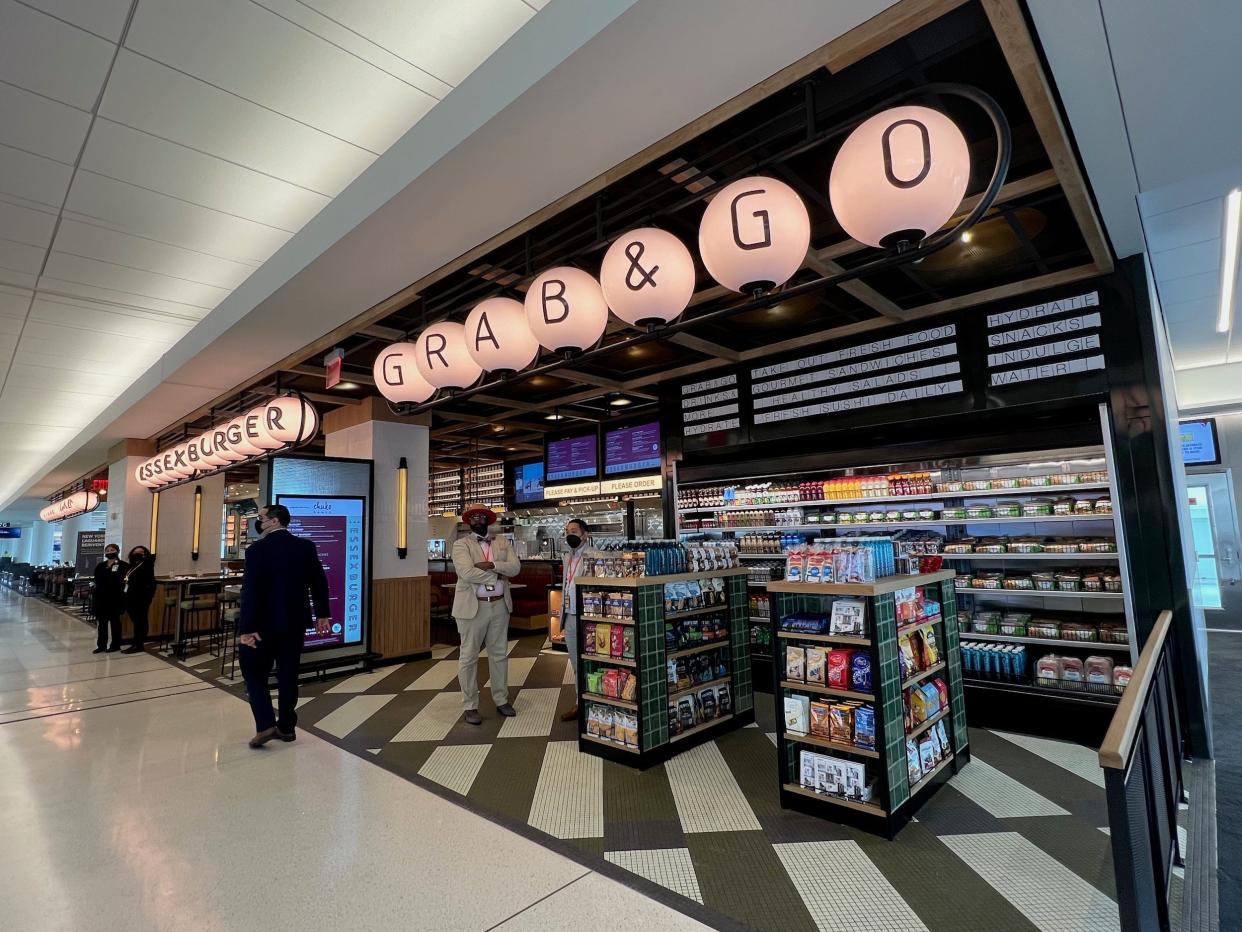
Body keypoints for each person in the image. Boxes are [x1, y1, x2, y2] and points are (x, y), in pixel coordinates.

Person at [238, 504, 331, 748]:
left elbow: (251, 591)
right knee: (288, 673)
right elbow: (319, 581)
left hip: (262, 624)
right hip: (295, 621)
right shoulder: (305, 547)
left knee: (253, 672)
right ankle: (287, 727)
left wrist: (246, 628)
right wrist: (323, 614)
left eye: (261, 518)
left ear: (275, 521)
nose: (258, 523)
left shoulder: (257, 551)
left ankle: (266, 724)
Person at [451, 504, 521, 725]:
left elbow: (516, 568)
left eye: (482, 516)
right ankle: (470, 705)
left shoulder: (502, 542)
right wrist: (498, 575)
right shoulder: (461, 544)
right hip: (473, 607)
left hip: (500, 606)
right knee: (469, 656)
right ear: (469, 521)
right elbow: (466, 572)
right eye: (474, 516)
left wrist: (490, 564)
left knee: (499, 654)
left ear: (489, 519)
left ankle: (501, 699)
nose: (478, 519)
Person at [559, 518, 591, 722]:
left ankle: (591, 703)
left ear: (584, 535)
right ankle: (580, 703)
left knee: (589, 660)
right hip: (569, 616)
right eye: (567, 531)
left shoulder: (592, 556)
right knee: (575, 662)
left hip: (586, 616)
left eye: (574, 531)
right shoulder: (567, 557)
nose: (570, 534)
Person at [92, 544, 127, 653]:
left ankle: (115, 644)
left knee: (115, 622)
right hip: (101, 598)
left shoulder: (123, 565)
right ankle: (101, 645)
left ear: (117, 551)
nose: (109, 552)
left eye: (112, 550)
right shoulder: (101, 566)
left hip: (115, 598)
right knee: (102, 624)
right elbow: (96, 579)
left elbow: (123, 581)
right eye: (107, 550)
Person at [121, 546, 156, 654]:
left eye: (140, 552)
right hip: (130, 596)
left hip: (141, 597)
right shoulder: (132, 566)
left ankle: (139, 644)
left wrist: (147, 596)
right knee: (135, 620)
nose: (137, 553)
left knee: (140, 621)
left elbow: (150, 583)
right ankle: (136, 643)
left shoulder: (146, 565)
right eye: (135, 552)